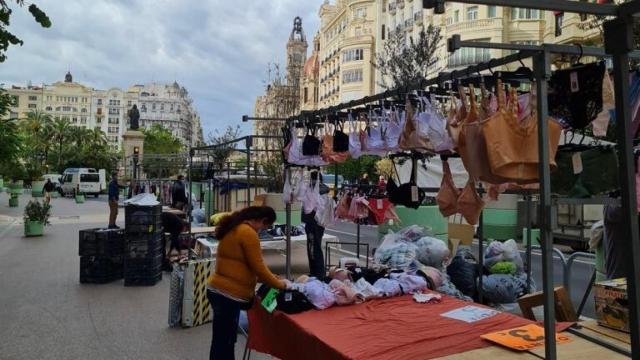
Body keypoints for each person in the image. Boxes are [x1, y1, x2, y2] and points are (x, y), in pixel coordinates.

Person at [207, 206, 289, 360]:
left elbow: (243, 267)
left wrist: (272, 278)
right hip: (229, 294)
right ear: (263, 221)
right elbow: (259, 267)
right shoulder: (248, 233)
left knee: (221, 339)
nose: (264, 230)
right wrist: (280, 284)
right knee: (225, 341)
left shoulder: (235, 226)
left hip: (218, 289)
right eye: (266, 226)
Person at [301, 172, 329, 279]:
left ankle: (319, 273)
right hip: (313, 222)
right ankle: (314, 271)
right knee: (312, 247)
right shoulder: (317, 189)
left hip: (315, 223)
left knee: (315, 247)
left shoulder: (319, 190)